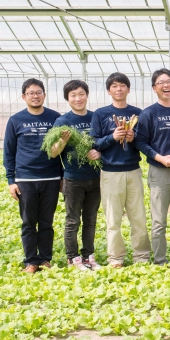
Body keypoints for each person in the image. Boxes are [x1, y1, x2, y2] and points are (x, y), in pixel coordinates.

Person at [90, 72, 150, 268]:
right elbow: (94, 143)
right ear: (109, 91)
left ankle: (141, 256)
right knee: (113, 219)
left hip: (133, 170)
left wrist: (133, 139)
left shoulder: (138, 113)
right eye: (114, 86)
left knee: (138, 216)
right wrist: (112, 138)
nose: (118, 89)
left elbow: (144, 142)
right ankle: (115, 258)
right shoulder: (101, 114)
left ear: (128, 89)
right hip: (110, 172)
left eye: (122, 86)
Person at [3, 78, 62, 273]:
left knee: (46, 221)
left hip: (51, 178)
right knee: (28, 222)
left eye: (38, 92)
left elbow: (62, 150)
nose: (35, 96)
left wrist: (61, 177)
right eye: (31, 93)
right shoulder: (15, 120)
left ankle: (45, 259)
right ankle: (30, 261)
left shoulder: (56, 118)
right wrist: (11, 180)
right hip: (26, 179)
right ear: (24, 97)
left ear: (44, 95)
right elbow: (9, 152)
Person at [135, 69, 170, 266]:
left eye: (169, 81)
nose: (166, 85)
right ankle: (159, 260)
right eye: (161, 83)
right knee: (159, 221)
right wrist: (160, 158)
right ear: (154, 88)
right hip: (160, 172)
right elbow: (141, 142)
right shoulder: (148, 113)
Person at [50, 80, 102, 271]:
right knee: (73, 219)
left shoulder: (96, 117)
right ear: (67, 98)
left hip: (96, 177)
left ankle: (89, 255)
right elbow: (53, 152)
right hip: (73, 178)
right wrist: (63, 141)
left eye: (81, 94)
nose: (78, 98)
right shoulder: (62, 122)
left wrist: (100, 153)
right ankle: (73, 257)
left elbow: (103, 143)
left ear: (87, 95)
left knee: (91, 218)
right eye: (73, 95)